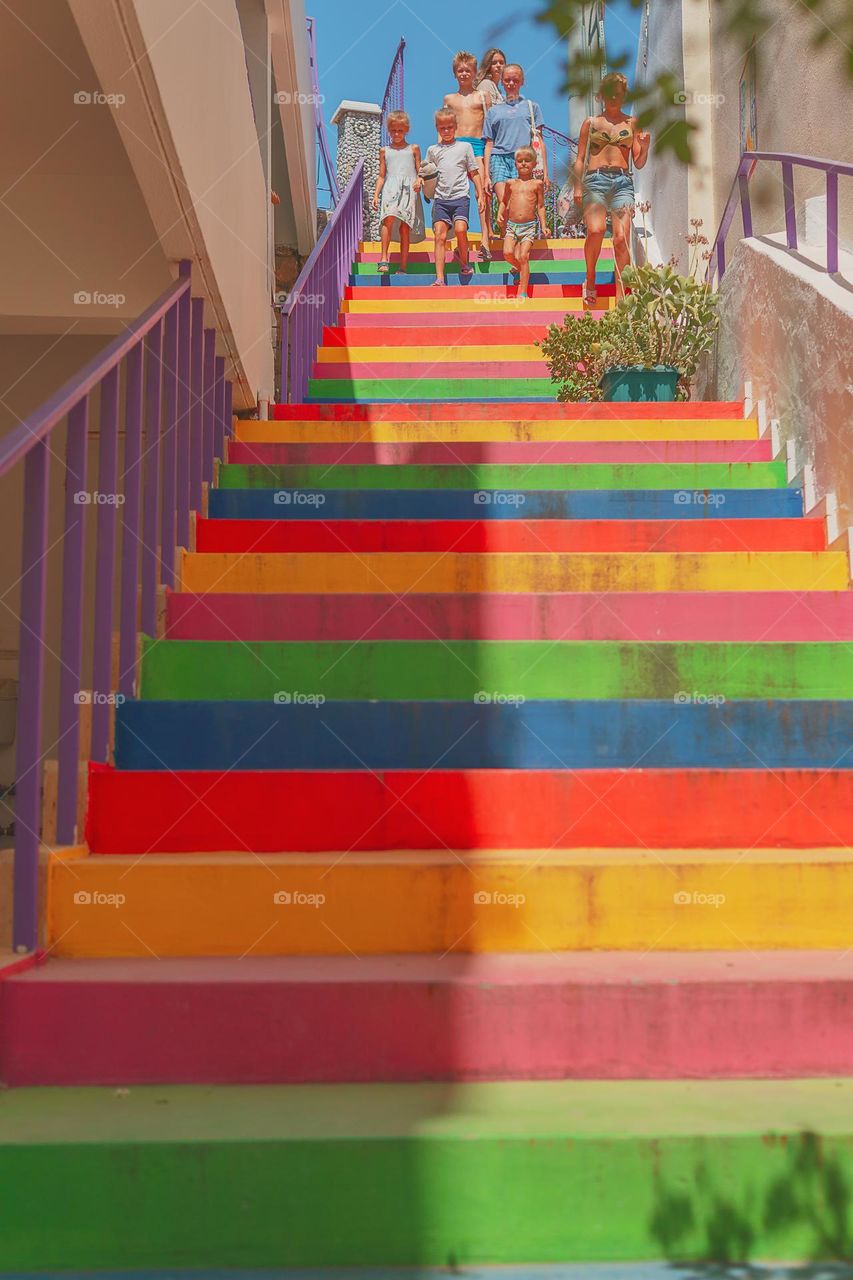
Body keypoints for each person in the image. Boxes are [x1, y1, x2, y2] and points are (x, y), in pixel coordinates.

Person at [573, 71, 650, 306]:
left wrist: (645, 146)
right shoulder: (591, 123)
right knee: (596, 230)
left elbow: (637, 162)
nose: (614, 98)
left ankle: (620, 295)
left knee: (621, 238)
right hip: (595, 181)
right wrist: (578, 187)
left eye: (618, 93)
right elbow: (580, 158)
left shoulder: (633, 123)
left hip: (622, 183)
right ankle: (590, 277)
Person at [483, 63, 550, 229]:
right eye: (507, 80)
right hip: (499, 159)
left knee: (519, 204)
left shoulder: (532, 107)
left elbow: (539, 140)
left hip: (523, 160)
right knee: (504, 203)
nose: (511, 83)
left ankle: (518, 241)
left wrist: (545, 173)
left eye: (515, 80)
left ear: (522, 82)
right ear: (502, 82)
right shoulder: (493, 112)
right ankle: (507, 240)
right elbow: (489, 143)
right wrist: (486, 175)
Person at [425, 107, 483, 286]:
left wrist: (479, 193)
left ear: (455, 127)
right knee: (440, 236)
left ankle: (464, 260)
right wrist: (421, 182)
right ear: (437, 128)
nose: (446, 131)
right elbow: (427, 173)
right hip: (441, 199)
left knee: (460, 229)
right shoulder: (433, 150)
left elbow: (474, 172)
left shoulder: (465, 147)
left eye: (450, 127)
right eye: (443, 128)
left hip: (460, 197)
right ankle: (440, 278)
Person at [443, 52, 493, 259]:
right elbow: (444, 124)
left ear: (474, 73)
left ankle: (485, 239)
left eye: (468, 70)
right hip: (456, 145)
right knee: (455, 192)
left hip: (478, 145)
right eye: (460, 70)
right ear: (455, 73)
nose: (464, 73)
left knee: (482, 191)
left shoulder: (482, 97)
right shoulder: (449, 98)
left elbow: (490, 125)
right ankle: (457, 239)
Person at [372, 110, 425, 274]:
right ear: (389, 130)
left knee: (404, 227)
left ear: (406, 130)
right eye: (393, 130)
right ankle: (383, 258)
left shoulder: (413, 148)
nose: (396, 134)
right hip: (390, 188)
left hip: (408, 190)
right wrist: (376, 194)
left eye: (400, 130)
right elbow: (381, 176)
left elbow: (420, 171)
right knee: (387, 219)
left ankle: (403, 266)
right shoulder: (384, 151)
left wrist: (419, 181)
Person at [497, 147, 548, 300]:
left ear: (534, 163)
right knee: (507, 253)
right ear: (515, 163)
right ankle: (520, 269)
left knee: (523, 256)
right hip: (512, 225)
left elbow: (540, 206)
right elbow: (504, 201)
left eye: (527, 161)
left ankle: (523, 291)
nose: (524, 164)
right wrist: (500, 213)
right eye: (520, 161)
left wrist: (544, 226)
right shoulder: (511, 183)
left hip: (529, 226)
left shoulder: (537, 184)